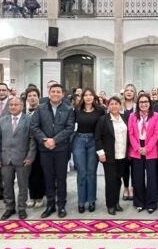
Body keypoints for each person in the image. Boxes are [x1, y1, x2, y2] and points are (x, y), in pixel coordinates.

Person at [31, 83, 76, 219]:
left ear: (62, 94)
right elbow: (34, 126)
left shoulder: (68, 109)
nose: (55, 94)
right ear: (49, 93)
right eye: (53, 91)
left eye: (58, 92)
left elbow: (69, 128)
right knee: (48, 177)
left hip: (61, 149)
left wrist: (54, 140)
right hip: (45, 149)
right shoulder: (40, 108)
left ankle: (61, 205)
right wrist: (45, 140)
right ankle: (50, 205)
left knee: (61, 178)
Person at [0, 96, 37, 220]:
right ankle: (9, 208)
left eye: (16, 105)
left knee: (23, 185)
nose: (13, 107)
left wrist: (30, 157)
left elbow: (32, 140)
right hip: (5, 158)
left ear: (22, 106)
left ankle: (21, 208)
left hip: (23, 158)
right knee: (7, 185)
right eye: (11, 105)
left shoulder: (29, 120)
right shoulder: (2, 120)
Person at [128, 93, 158, 213]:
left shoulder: (156, 116)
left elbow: (156, 133)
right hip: (136, 149)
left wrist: (147, 148)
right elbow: (130, 133)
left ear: (150, 103)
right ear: (138, 104)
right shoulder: (132, 116)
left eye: (146, 102)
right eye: (141, 102)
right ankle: (139, 202)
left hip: (151, 149)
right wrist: (137, 147)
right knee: (138, 177)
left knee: (152, 177)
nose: (144, 104)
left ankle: (152, 203)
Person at [74, 88, 105, 213]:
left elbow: (103, 128)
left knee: (91, 172)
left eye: (90, 95)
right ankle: (81, 201)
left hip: (94, 141)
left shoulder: (100, 111)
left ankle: (91, 200)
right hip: (79, 140)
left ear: (94, 97)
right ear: (82, 97)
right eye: (85, 95)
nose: (88, 97)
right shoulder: (77, 110)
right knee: (82, 172)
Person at [95, 96, 127, 216]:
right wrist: (101, 153)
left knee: (118, 180)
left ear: (120, 105)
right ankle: (110, 205)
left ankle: (117, 202)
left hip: (122, 155)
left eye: (116, 104)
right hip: (109, 156)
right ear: (108, 106)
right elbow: (97, 137)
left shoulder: (124, 118)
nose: (114, 106)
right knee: (110, 181)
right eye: (112, 104)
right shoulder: (103, 120)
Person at [24, 86, 45, 207]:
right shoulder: (24, 112)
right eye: (30, 96)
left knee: (39, 171)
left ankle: (40, 196)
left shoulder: (43, 111)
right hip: (27, 146)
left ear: (38, 97)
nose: (32, 98)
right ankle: (31, 196)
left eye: (34, 96)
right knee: (29, 172)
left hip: (41, 145)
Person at [120, 83, 137, 201]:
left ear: (134, 93)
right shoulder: (119, 106)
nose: (129, 92)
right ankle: (126, 187)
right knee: (124, 167)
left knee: (135, 167)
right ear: (124, 93)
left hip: (135, 140)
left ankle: (134, 188)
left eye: (131, 90)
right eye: (127, 90)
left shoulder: (138, 106)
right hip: (121, 141)